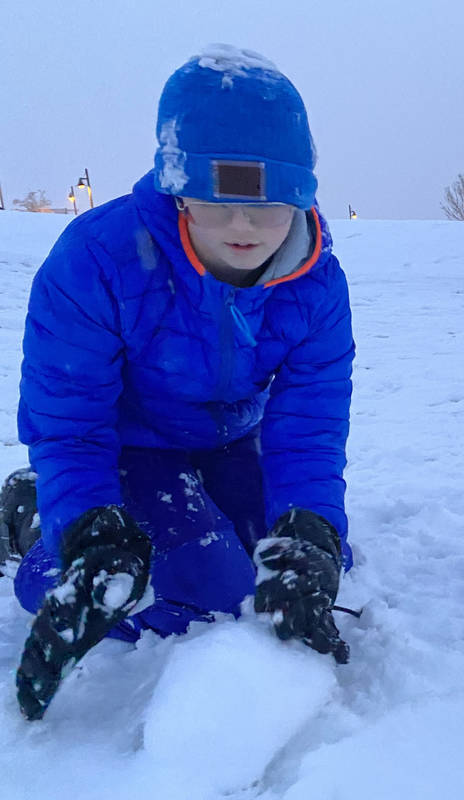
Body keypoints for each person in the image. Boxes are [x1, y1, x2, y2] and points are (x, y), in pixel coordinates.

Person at [1, 45, 355, 721]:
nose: (244, 226)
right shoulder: (98, 261)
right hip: (127, 446)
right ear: (178, 186)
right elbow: (69, 423)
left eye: (269, 203)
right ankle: (35, 522)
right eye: (218, 202)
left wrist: (311, 533)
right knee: (199, 593)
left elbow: (308, 429)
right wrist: (92, 533)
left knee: (289, 575)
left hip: (226, 440)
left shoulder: (316, 284)